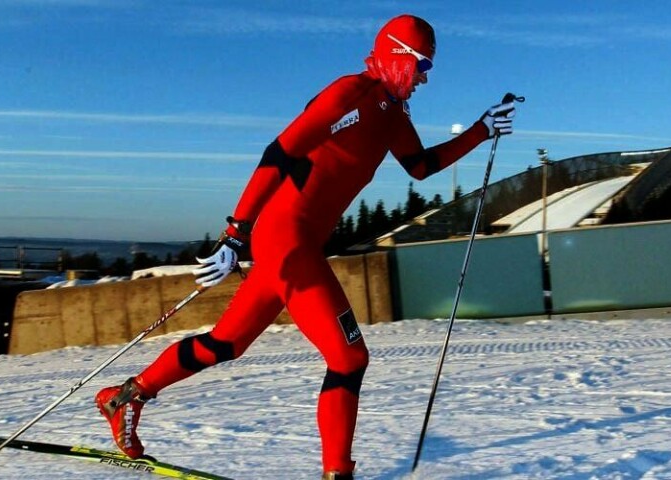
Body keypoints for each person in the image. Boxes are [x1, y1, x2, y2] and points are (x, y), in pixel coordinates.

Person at [96, 13, 516, 480]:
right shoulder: (349, 94)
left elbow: (419, 166)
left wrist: (481, 130)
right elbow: (280, 151)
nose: (424, 78)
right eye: (422, 66)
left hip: (295, 244)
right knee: (349, 357)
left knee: (225, 344)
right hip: (284, 238)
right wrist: (236, 233)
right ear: (398, 55)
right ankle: (338, 473)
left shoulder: (392, 114)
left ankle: (124, 397)